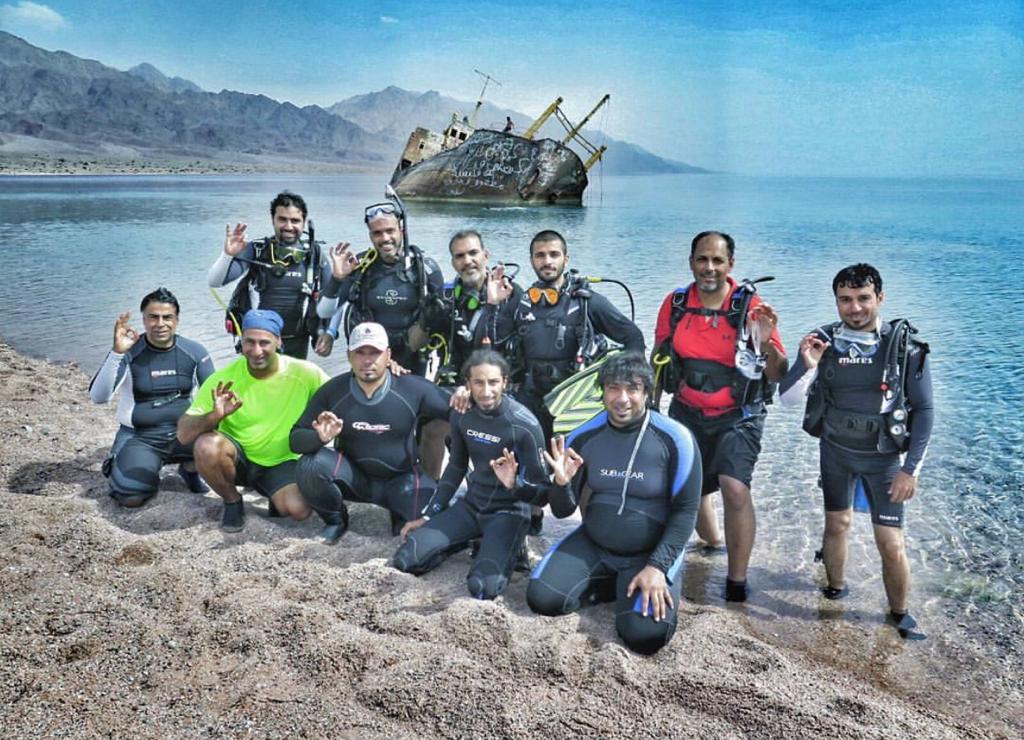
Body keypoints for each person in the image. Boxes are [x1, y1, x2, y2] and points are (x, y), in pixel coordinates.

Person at [779, 263, 933, 639]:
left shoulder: (906, 347)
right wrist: (808, 366)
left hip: (884, 459)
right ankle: (834, 590)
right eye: (845, 299)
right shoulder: (822, 341)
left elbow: (925, 410)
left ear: (880, 297)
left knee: (890, 543)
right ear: (836, 301)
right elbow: (786, 399)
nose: (855, 308)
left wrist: (910, 469)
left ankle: (899, 614)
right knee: (837, 524)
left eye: (864, 298)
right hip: (835, 451)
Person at [527, 353, 701, 655]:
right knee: (543, 599)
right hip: (595, 543)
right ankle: (612, 583)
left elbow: (686, 512)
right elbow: (563, 511)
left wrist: (658, 567)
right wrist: (561, 484)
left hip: (648, 553)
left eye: (632, 388)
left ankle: (631, 583)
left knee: (644, 635)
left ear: (647, 392)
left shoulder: (676, 439)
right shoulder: (584, 436)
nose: (622, 399)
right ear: (602, 391)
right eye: (613, 388)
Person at [652, 230, 787, 603]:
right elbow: (659, 358)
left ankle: (736, 581)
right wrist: (649, 411)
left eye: (717, 260)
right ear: (691, 262)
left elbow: (778, 372)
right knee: (689, 488)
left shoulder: (750, 306)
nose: (709, 267)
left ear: (731, 264)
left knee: (734, 487)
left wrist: (766, 338)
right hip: (686, 409)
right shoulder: (676, 303)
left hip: (738, 414)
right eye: (702, 259)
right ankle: (712, 543)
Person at [497, 229, 645, 534]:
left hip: (575, 402)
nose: (547, 261)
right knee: (531, 461)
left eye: (554, 254)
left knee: (581, 467)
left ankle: (594, 531)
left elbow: (633, 338)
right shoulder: (521, 302)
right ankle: (530, 525)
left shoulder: (587, 302)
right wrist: (493, 304)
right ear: (531, 260)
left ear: (566, 258)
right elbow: (495, 343)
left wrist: (618, 386)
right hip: (531, 394)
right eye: (540, 255)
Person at [392, 349, 549, 599]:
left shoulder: (524, 425)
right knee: (405, 559)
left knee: (482, 588)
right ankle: (467, 540)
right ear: (468, 383)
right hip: (472, 506)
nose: (486, 391)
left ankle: (512, 546)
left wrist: (515, 484)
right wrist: (429, 514)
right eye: (478, 382)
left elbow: (543, 494)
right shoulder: (462, 414)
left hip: (508, 512)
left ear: (505, 382)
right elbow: (456, 467)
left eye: (493, 382)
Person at [290, 322, 466, 544]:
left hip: (402, 480)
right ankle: (335, 521)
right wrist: (319, 438)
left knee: (429, 528)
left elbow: (462, 413)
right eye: (360, 353)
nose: (367, 360)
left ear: (388, 355)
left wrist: (464, 392)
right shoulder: (333, 391)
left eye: (375, 352)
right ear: (349, 356)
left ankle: (399, 514)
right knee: (309, 465)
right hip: (354, 479)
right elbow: (295, 440)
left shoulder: (412, 388)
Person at [177, 309, 328, 532]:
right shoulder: (223, 379)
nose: (256, 351)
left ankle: (275, 495)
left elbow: (340, 397)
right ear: (241, 341)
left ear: (278, 341)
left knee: (299, 510)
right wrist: (214, 416)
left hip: (282, 462)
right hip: (238, 462)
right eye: (249, 342)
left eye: (264, 343)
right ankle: (232, 501)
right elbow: (183, 435)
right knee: (206, 445)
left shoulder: (306, 373)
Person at [89, 288, 214, 508]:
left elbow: (214, 397)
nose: (160, 324)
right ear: (144, 320)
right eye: (153, 317)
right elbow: (99, 397)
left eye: (167, 317)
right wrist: (117, 353)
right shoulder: (129, 351)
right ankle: (131, 466)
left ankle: (190, 469)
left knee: (226, 447)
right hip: (140, 436)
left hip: (184, 432)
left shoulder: (194, 351)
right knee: (131, 497)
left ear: (177, 320)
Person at [413, 229, 521, 477]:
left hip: (500, 385)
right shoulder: (446, 296)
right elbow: (415, 344)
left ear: (485, 255)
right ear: (453, 262)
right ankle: (428, 490)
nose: (467, 261)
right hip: (455, 383)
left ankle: (493, 482)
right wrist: (425, 320)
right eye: (459, 256)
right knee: (430, 426)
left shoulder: (511, 293)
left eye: (473, 253)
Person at [316, 199, 443, 375]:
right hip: (369, 356)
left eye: (390, 231)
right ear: (370, 236)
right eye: (377, 233)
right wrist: (337, 279)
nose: (384, 238)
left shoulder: (425, 269)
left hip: (412, 356)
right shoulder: (360, 265)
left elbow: (442, 319)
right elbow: (324, 312)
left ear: (401, 231)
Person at [209, 191, 329, 359]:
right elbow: (215, 281)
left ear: (304, 223)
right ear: (273, 220)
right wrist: (227, 255)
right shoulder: (257, 250)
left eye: (295, 220)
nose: (288, 226)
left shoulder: (314, 255)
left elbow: (333, 298)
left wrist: (327, 333)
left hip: (297, 343)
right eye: (282, 219)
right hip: (258, 345)